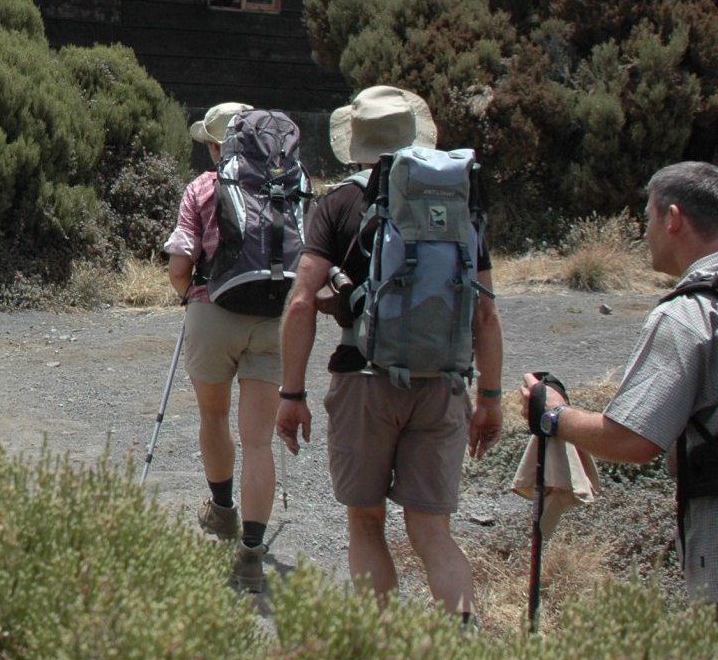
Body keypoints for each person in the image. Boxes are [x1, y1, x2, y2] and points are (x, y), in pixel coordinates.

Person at [276, 85, 504, 624]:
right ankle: (464, 646)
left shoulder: (339, 204)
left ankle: (381, 648)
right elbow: (485, 313)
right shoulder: (456, 203)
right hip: (443, 382)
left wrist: (292, 393)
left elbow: (302, 302)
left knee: (366, 522)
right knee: (432, 531)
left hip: (364, 378)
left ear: (356, 142)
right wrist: (490, 398)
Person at [522, 161, 718, 604]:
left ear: (673, 218)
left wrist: (553, 414)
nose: (645, 233)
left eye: (648, 218)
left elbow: (632, 440)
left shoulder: (687, 315)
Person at [164, 102, 279, 592]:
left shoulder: (202, 188)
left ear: (215, 147)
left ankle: (223, 510)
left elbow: (180, 264)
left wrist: (185, 293)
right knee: (259, 440)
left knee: (214, 417)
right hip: (272, 319)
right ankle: (252, 553)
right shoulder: (284, 185)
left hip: (212, 312)